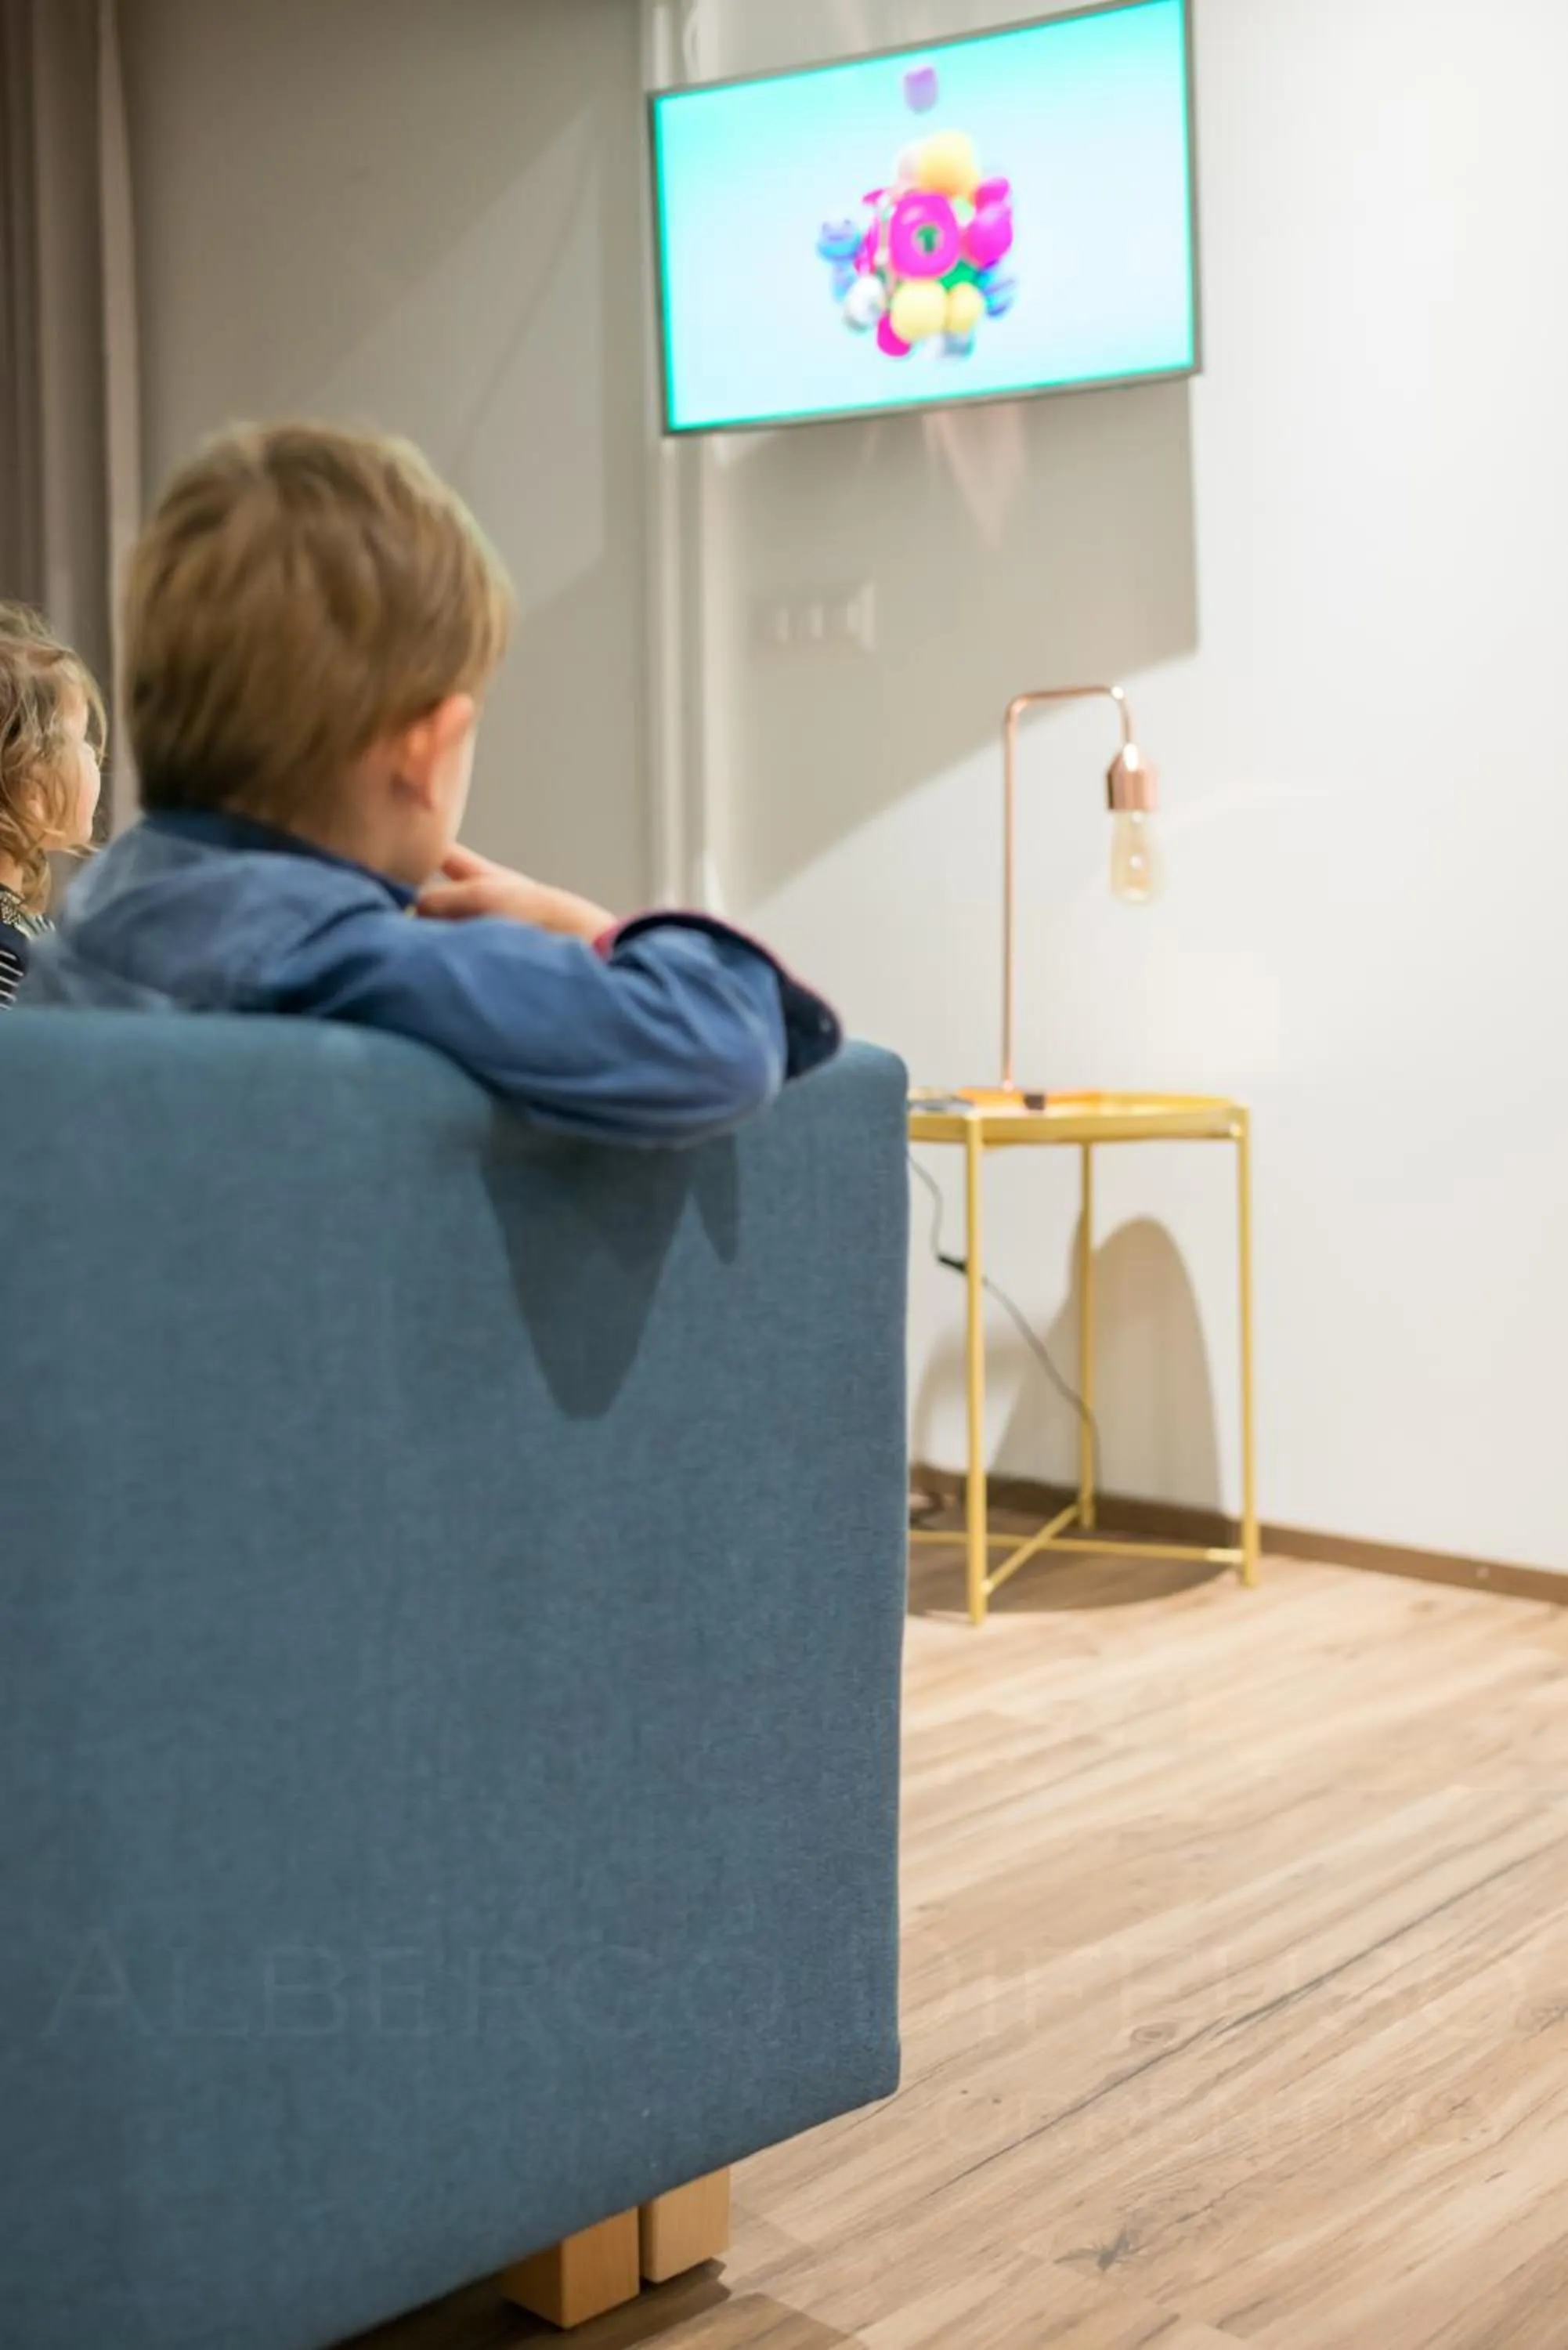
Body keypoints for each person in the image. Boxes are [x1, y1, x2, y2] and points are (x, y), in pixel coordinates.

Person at [24, 424, 840, 1141]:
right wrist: (594, 933)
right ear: (427, 752)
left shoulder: (84, 932)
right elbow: (724, 1040)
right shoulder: (353, 964)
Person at [0, 605, 105, 1006]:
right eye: (81, 739)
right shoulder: (11, 957)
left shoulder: (20, 922)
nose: (95, 755)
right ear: (32, 789)